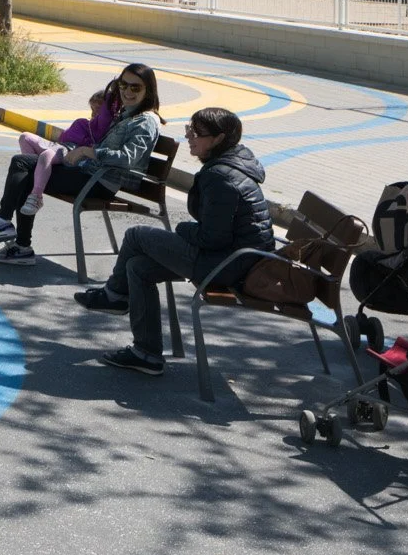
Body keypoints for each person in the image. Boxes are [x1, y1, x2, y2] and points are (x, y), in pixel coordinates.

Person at [78, 106, 274, 375]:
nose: (189, 137)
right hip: (236, 259)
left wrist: (183, 229)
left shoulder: (220, 177)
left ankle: (114, 295)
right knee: (137, 267)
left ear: (219, 138)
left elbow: (212, 238)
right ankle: (146, 354)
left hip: (229, 265)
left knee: (136, 235)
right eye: (188, 129)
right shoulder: (228, 165)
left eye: (197, 133)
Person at [0, 61, 164, 267]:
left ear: (148, 90)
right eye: (123, 86)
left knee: (24, 165)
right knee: (27, 166)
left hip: (99, 182)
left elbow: (128, 158)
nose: (127, 91)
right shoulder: (128, 115)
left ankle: (8, 228)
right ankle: (15, 238)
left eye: (135, 87)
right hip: (90, 175)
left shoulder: (146, 121)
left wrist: (89, 151)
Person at [15, 82, 118, 217]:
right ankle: (35, 175)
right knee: (25, 137)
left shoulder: (103, 128)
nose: (94, 114)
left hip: (72, 153)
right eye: (92, 109)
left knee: (46, 155)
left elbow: (107, 112)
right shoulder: (83, 123)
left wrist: (112, 91)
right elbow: (62, 139)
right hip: (62, 147)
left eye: (98, 110)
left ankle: (36, 195)